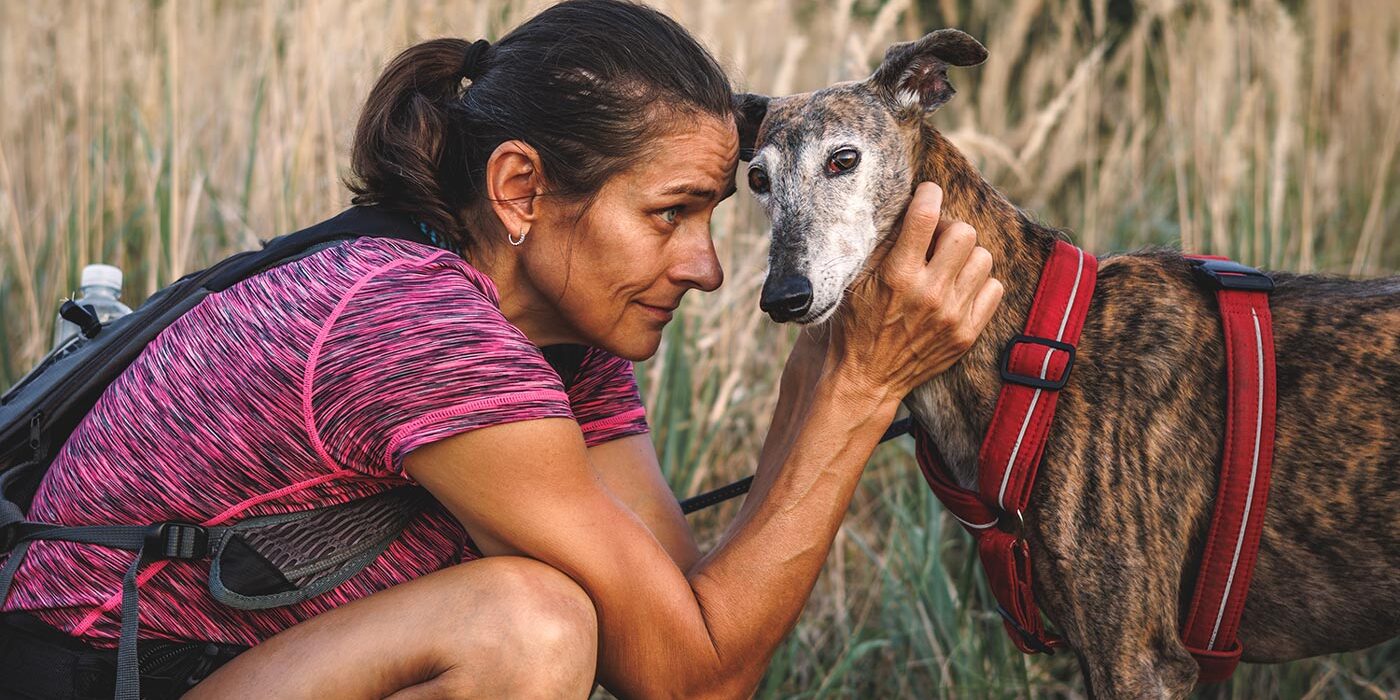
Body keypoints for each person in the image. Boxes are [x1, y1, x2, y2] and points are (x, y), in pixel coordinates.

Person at [0, 1, 1002, 697]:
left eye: (710, 216)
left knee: (552, 615)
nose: (704, 268)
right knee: (528, 629)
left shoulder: (565, 338)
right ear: (520, 190)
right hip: (110, 676)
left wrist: (830, 368)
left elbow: (686, 619)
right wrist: (862, 386)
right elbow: (696, 679)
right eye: (668, 215)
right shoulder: (419, 324)